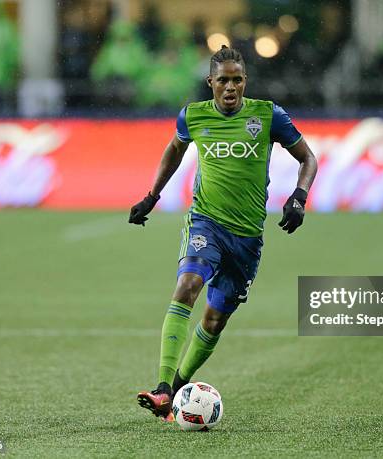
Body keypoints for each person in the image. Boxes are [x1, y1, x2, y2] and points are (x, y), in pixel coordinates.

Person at [129, 46, 317, 421]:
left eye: (237, 80)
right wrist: (152, 196)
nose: (230, 87)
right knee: (188, 284)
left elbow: (308, 158)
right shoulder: (193, 116)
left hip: (247, 236)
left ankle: (178, 389)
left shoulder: (268, 115)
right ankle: (163, 385)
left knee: (214, 319)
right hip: (206, 222)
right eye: (223, 80)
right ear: (210, 82)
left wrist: (299, 196)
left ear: (244, 81)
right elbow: (174, 151)